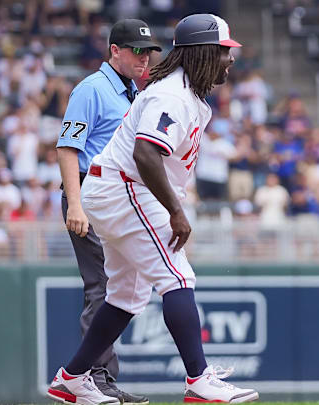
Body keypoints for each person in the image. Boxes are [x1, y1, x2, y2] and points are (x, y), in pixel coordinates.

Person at [47, 14, 259, 405]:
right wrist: (175, 211)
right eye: (225, 51)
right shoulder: (166, 95)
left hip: (119, 188)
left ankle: (72, 377)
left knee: (125, 295)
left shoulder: (179, 91)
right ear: (205, 53)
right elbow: (145, 153)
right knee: (178, 277)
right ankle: (198, 378)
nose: (231, 59)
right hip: (125, 187)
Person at [55, 18, 161, 404]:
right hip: (88, 192)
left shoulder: (133, 90)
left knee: (122, 288)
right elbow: (68, 148)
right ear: (114, 50)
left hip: (116, 198)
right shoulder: (92, 89)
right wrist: (76, 203)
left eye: (148, 51)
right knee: (102, 286)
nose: (144, 58)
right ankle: (91, 379)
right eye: (137, 50)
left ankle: (93, 378)